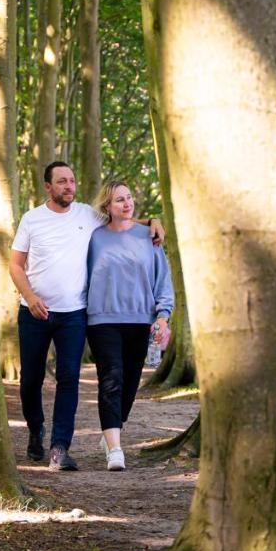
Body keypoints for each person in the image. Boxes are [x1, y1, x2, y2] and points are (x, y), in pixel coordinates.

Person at [8, 162, 163, 471]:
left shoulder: (86, 215)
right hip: (34, 313)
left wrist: (153, 221)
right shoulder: (32, 219)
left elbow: (122, 217)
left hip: (74, 314)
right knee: (31, 380)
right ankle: (35, 428)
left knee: (69, 379)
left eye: (72, 181)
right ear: (48, 187)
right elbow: (15, 264)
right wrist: (30, 297)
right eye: (61, 181)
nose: (69, 186)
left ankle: (59, 448)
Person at [85, 180, 174, 471]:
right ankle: (115, 449)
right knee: (111, 379)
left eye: (129, 197)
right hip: (102, 320)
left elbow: (162, 280)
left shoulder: (149, 236)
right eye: (119, 200)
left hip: (140, 321)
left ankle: (112, 430)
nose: (127, 203)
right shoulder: (93, 238)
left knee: (131, 383)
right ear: (107, 206)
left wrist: (163, 316)